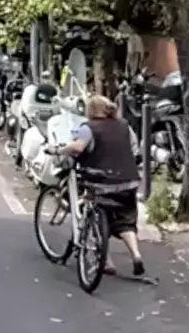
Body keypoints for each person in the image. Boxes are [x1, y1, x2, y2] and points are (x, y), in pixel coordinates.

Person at [53, 94, 145, 277]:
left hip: (101, 183)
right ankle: (136, 255)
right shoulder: (124, 125)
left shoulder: (89, 128)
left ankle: (105, 261)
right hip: (128, 182)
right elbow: (135, 149)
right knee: (126, 222)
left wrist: (59, 149)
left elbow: (78, 147)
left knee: (95, 216)